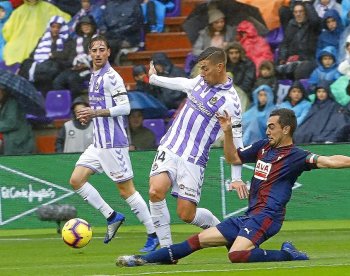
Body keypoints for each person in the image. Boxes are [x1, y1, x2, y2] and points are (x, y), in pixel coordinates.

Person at [115, 108, 350, 267]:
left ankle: (287, 254)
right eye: (268, 126)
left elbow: (331, 160)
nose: (267, 130)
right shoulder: (261, 148)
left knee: (236, 255)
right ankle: (142, 261)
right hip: (250, 215)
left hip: (268, 216)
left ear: (286, 129)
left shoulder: (296, 155)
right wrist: (226, 132)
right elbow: (233, 157)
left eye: (272, 127)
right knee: (195, 242)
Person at [69, 35, 159, 252]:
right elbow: (97, 110)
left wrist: (96, 112)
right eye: (94, 50)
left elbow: (125, 107)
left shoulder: (112, 77)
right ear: (89, 53)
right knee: (76, 180)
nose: (98, 54)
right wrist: (89, 116)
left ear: (108, 52)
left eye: (102, 50)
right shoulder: (93, 76)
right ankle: (112, 216)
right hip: (98, 143)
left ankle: (153, 234)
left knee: (126, 190)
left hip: (113, 144)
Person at [147, 46, 244, 248]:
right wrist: (155, 79)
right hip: (170, 145)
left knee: (186, 214)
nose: (202, 73)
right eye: (200, 68)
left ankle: (225, 233)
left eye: (205, 68)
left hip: (194, 158)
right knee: (155, 192)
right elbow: (184, 83)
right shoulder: (200, 81)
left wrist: (236, 177)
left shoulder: (231, 101)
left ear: (220, 67)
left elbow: (237, 139)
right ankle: (166, 250)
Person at [2, 0, 71, 66]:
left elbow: (7, 32)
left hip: (38, 43)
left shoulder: (48, 7)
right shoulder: (19, 11)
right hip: (21, 44)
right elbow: (8, 30)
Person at [0, 85, 35, 155]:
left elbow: (11, 123)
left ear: (3, 91)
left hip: (18, 142)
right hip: (8, 139)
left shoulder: (13, 102)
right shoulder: (3, 102)